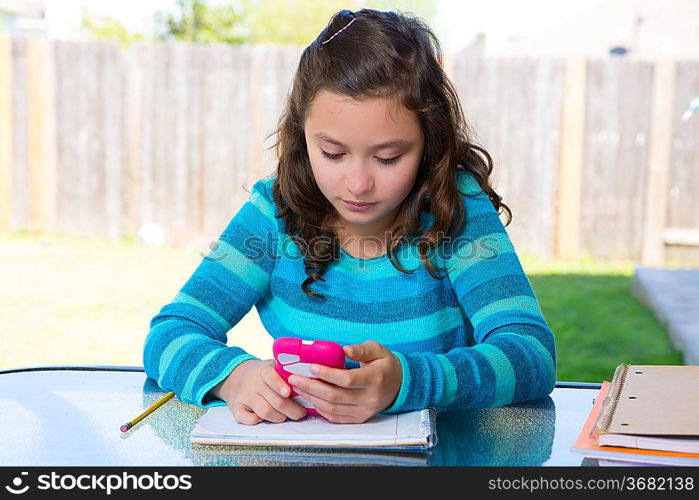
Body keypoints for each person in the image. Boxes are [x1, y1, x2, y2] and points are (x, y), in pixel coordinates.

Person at [143, 8, 557, 425]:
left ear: (429, 143)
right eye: (333, 153)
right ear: (302, 137)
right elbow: (169, 335)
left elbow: (531, 355)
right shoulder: (273, 214)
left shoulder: (457, 210)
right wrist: (232, 377)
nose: (358, 184)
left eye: (388, 157)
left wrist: (408, 382)